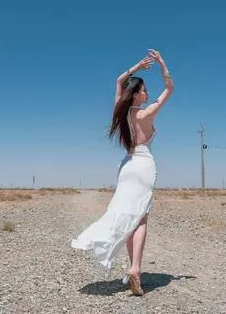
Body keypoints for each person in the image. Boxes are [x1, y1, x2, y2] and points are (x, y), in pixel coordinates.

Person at [71, 49, 174, 296]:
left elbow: (119, 80)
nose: (147, 93)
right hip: (144, 165)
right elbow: (170, 87)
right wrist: (161, 63)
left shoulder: (121, 110)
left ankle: (133, 268)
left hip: (127, 165)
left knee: (129, 215)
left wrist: (137, 66)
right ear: (136, 94)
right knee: (141, 218)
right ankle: (135, 269)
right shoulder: (146, 114)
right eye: (144, 90)